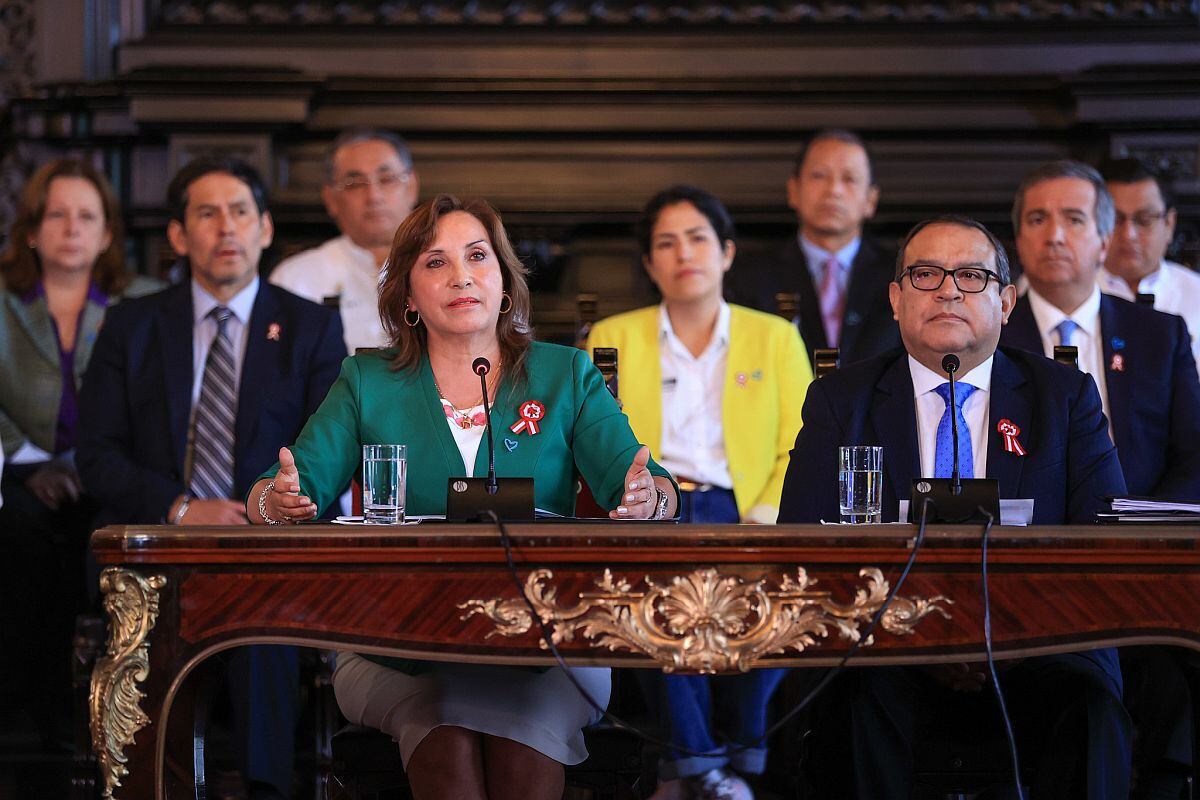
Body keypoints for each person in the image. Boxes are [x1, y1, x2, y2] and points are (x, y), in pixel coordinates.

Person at [249, 193, 679, 800]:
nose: (461, 276)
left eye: (477, 256)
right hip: (398, 644)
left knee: (519, 752)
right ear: (407, 297)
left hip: (544, 640)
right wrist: (279, 501)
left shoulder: (566, 375)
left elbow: (645, 484)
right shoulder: (366, 383)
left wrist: (648, 498)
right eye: (434, 262)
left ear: (503, 282)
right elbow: (281, 490)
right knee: (444, 740)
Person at [779, 215, 1131, 799]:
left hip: (1036, 647)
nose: (948, 290)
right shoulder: (842, 399)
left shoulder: (1064, 398)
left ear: (1006, 300)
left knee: (1088, 701)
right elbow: (802, 539)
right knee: (854, 699)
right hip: (885, 649)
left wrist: (1007, 643)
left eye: (971, 275)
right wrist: (918, 642)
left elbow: (1099, 543)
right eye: (925, 275)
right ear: (895, 299)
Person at [77, 157, 346, 800]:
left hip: (267, 545)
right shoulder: (132, 324)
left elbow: (328, 452)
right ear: (178, 236)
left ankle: (265, 788)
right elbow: (97, 455)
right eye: (206, 213)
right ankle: (144, 785)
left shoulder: (310, 327)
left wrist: (268, 507)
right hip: (159, 544)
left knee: (264, 616)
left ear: (264, 228)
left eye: (240, 212)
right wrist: (179, 510)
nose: (225, 227)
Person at [587, 185, 810, 799]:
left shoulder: (774, 338)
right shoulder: (613, 337)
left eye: (698, 238)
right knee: (661, 610)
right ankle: (713, 768)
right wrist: (642, 502)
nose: (684, 253)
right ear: (650, 263)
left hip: (751, 509)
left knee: (783, 612)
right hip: (659, 510)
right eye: (666, 243)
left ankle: (719, 760)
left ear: (727, 252)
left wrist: (765, 516)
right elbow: (594, 440)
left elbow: (803, 442)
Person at [0, 158, 160, 741]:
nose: (72, 228)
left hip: (110, 472)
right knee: (20, 531)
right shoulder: (3, 299)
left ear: (108, 232)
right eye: (57, 215)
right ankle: (24, 711)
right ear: (32, 230)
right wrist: (27, 463)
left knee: (109, 530)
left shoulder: (144, 302)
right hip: (15, 473)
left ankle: (108, 719)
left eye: (86, 216)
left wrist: (89, 465)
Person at [1000, 159, 1200, 501]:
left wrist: (1146, 530)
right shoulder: (993, 334)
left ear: (1104, 242)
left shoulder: (1159, 335)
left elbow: (1194, 456)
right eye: (1037, 220)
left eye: (1074, 219)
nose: (1055, 237)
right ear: (1019, 240)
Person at [725, 128, 900, 365]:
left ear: (871, 200)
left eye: (849, 179)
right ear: (793, 190)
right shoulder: (748, 277)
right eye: (819, 176)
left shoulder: (900, 276)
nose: (833, 190)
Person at [271, 127, 420, 352]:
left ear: (411, 187)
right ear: (330, 198)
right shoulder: (295, 279)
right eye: (355, 183)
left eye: (386, 179)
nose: (374, 196)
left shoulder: (446, 267)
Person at [1098, 157, 1200, 372]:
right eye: (1116, 220)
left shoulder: (1196, 295)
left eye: (1144, 220)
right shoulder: (1074, 292)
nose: (1128, 235)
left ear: (1169, 224)